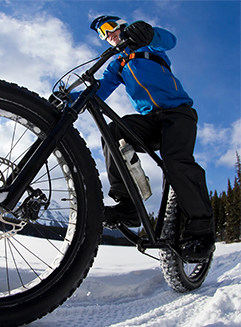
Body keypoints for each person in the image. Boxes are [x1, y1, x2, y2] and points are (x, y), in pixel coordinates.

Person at [87, 15, 215, 261]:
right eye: (101, 35)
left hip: (178, 115)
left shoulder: (148, 46)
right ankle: (128, 205)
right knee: (115, 130)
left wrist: (148, 33)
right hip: (150, 121)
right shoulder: (118, 64)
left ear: (122, 25)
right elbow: (100, 90)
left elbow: (169, 40)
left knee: (176, 161)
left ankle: (202, 230)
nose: (106, 36)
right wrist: (70, 100)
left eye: (108, 28)